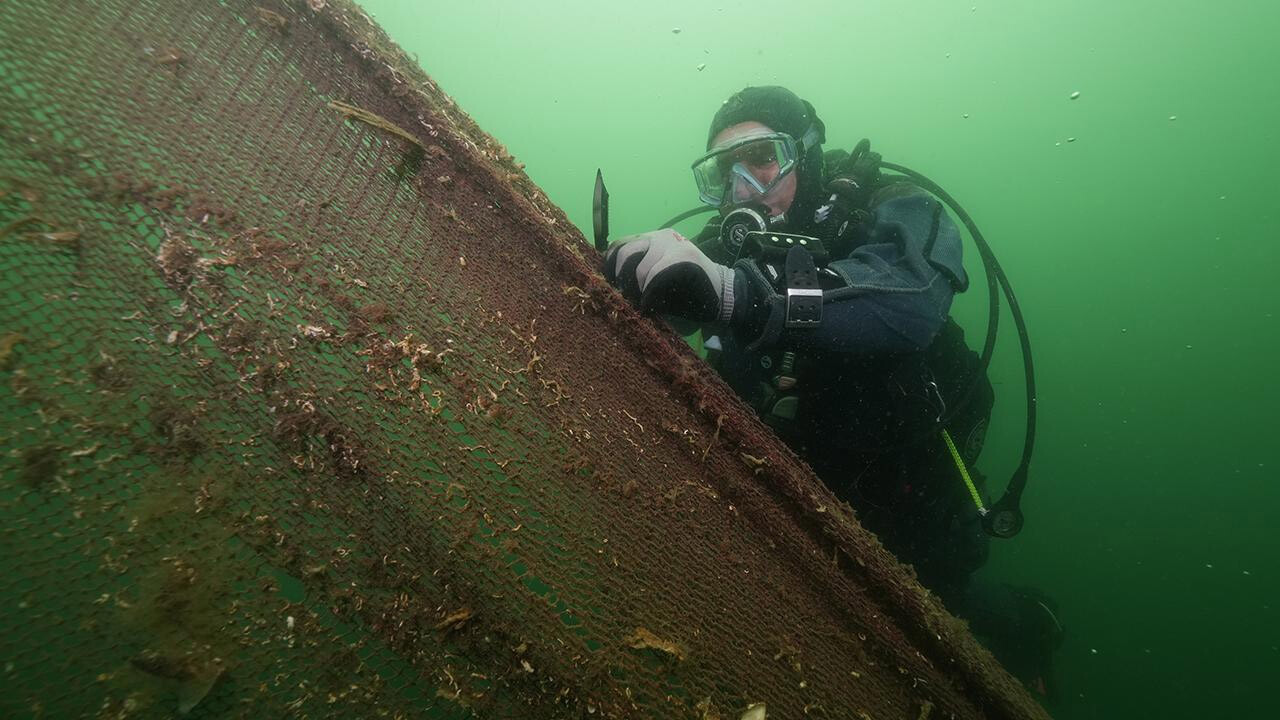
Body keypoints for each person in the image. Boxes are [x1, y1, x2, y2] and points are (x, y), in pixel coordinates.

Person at [603, 86, 1063, 699]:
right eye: (723, 171)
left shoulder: (894, 208)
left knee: (938, 620)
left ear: (808, 154)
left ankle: (1029, 627)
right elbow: (687, 295)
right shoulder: (729, 247)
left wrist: (742, 297)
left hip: (903, 483)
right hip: (781, 484)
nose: (743, 184)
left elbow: (911, 302)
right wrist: (641, 282)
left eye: (762, 157)